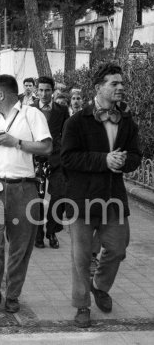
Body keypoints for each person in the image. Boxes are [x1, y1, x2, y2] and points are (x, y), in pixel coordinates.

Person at [61, 63, 141, 328]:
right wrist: (104, 160)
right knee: (81, 257)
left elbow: (136, 156)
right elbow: (68, 158)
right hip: (82, 199)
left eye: (121, 83)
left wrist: (124, 162)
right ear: (98, 88)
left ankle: (101, 286)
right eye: (114, 83)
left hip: (113, 198)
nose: (120, 87)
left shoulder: (126, 120)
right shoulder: (76, 121)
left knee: (118, 247)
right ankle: (82, 305)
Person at [0, 74, 52, 316]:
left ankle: (13, 295)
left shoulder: (31, 114)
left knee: (20, 246)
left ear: (0, 94)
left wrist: (15, 142)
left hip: (24, 188)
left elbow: (47, 147)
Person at [31, 76, 69, 249]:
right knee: (36, 197)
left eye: (47, 90)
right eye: (41, 90)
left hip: (56, 158)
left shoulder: (62, 110)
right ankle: (38, 233)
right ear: (36, 91)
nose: (44, 94)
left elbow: (66, 135)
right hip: (35, 158)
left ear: (52, 92)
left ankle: (52, 231)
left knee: (60, 194)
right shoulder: (29, 110)